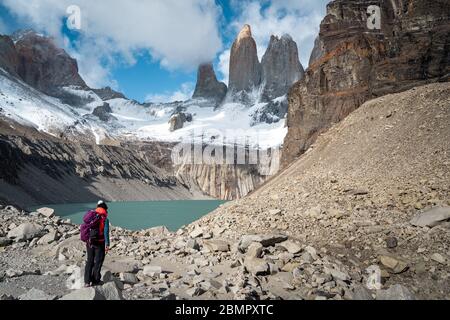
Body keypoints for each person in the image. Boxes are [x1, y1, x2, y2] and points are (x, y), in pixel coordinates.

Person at [84, 200, 110, 287]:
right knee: (98, 262)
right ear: (105, 209)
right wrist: (107, 244)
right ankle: (95, 280)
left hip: (89, 242)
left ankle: (87, 282)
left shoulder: (91, 215)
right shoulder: (104, 218)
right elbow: (106, 232)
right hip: (100, 243)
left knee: (89, 261)